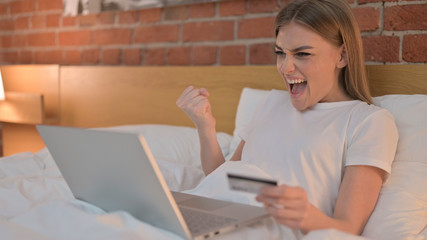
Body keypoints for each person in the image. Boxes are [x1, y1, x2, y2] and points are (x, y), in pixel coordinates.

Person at [176, 0, 398, 237]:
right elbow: (223, 182)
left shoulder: (368, 121)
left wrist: (306, 214)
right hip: (215, 221)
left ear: (342, 56)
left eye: (302, 54)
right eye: (280, 53)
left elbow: (348, 229)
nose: (285, 67)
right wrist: (205, 126)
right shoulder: (271, 103)